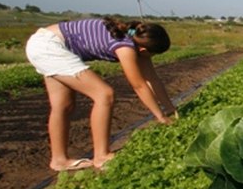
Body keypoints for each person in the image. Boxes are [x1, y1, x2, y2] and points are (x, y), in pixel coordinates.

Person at [25, 17, 177, 171]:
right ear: (144, 51)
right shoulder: (125, 46)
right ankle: (101, 156)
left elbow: (152, 79)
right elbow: (139, 85)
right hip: (50, 47)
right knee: (104, 94)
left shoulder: (133, 38)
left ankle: (59, 160)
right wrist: (160, 117)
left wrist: (171, 110)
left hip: (42, 42)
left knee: (63, 105)